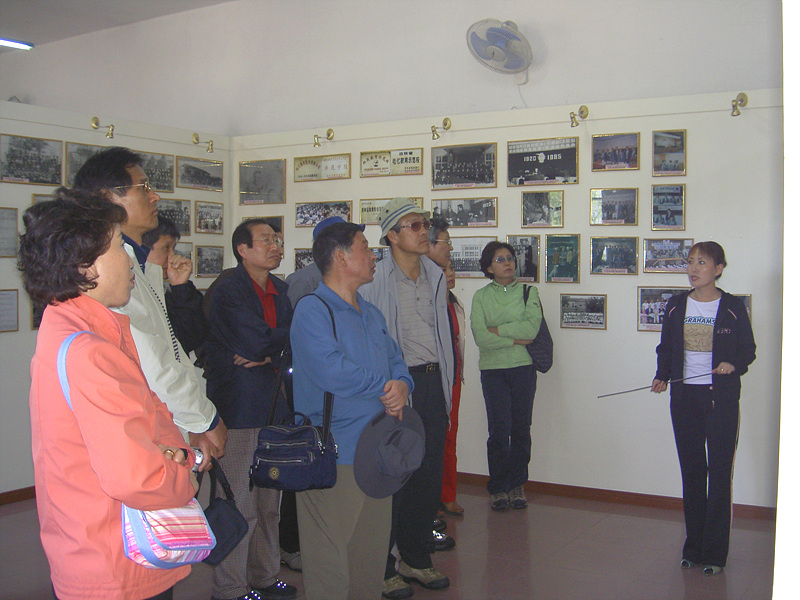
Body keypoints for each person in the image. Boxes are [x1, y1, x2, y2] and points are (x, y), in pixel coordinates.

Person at [18, 189, 199, 600]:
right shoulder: (89, 350)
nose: (130, 260)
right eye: (119, 246)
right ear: (85, 266)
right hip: (116, 560)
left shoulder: (82, 330)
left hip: (101, 547)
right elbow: (140, 476)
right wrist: (185, 470)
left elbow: (154, 413)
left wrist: (171, 452)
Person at [73, 147, 226, 471]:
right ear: (107, 198)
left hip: (162, 423)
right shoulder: (110, 276)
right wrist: (204, 418)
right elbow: (153, 362)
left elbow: (173, 349)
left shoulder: (142, 267)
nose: (155, 196)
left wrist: (193, 419)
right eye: (143, 188)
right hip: (140, 434)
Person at [291, 221, 413, 600]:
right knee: (328, 561)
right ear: (341, 258)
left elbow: (397, 361)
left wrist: (402, 384)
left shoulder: (371, 313)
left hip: (378, 450)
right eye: (365, 247)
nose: (373, 255)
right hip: (334, 452)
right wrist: (384, 387)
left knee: (369, 558)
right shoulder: (312, 311)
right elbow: (332, 370)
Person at [359, 198, 454, 598]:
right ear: (392, 236)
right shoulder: (374, 278)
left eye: (424, 224)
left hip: (432, 384)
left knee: (427, 476)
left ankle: (416, 558)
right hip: (396, 387)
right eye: (414, 225)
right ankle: (382, 567)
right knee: (391, 477)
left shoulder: (435, 274)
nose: (424, 231)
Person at [651, 241, 756, 576]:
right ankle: (693, 548)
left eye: (702, 262)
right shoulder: (676, 304)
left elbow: (748, 349)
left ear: (719, 269)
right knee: (693, 471)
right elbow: (666, 347)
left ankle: (715, 553)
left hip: (720, 399)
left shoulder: (732, 306)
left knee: (720, 473)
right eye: (690, 261)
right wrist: (662, 376)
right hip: (684, 398)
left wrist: (732, 364)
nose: (694, 269)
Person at [204, 219, 296, 600]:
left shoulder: (281, 290)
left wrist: (271, 353)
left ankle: (264, 576)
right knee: (239, 502)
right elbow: (254, 341)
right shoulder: (227, 290)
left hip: (274, 408)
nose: (275, 246)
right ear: (242, 249)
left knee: (269, 503)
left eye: (277, 239)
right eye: (265, 240)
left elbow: (293, 340)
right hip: (238, 410)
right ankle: (230, 587)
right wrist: (273, 348)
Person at [470, 241, 542, 511]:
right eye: (500, 259)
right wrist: (514, 338)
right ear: (489, 267)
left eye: (510, 258)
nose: (508, 263)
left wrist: (497, 330)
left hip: (523, 368)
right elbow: (481, 337)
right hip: (493, 371)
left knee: (521, 428)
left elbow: (531, 330)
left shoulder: (529, 292)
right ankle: (498, 487)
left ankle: (517, 485)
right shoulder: (480, 297)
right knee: (499, 430)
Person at [426, 219, 464, 518]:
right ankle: (429, 502)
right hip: (428, 377)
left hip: (452, 377)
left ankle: (446, 494)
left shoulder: (452, 300)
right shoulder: (422, 290)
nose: (450, 247)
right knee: (431, 440)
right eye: (446, 242)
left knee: (449, 438)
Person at [142, 215, 208, 357]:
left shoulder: (166, 292)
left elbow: (192, 339)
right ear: (143, 249)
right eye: (166, 248)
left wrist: (180, 287)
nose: (172, 256)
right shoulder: (134, 292)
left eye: (173, 249)